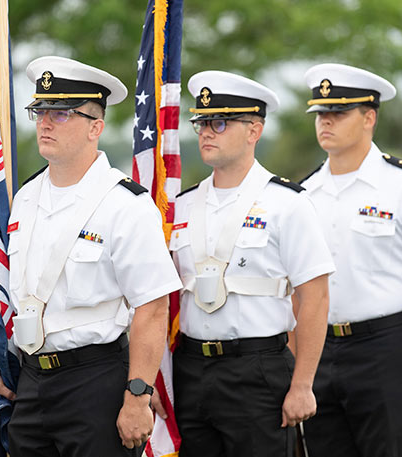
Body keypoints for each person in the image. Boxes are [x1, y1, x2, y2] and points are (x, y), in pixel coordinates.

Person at [0, 56, 182, 456]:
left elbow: (153, 307)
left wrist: (138, 395)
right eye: (39, 110)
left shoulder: (125, 204)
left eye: (61, 113)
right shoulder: (25, 198)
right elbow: (11, 297)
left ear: (96, 127)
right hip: (32, 381)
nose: (45, 122)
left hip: (95, 380)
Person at [299, 63, 402, 457]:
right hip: (320, 352)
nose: (326, 123)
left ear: (369, 117)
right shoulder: (304, 194)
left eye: (338, 113)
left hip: (388, 348)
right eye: (321, 114)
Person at [168, 71, 335, 457]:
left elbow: (315, 298)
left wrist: (302, 384)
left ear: (253, 130)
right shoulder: (182, 205)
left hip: (257, 369)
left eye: (220, 122)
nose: (206, 131)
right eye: (201, 122)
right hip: (191, 368)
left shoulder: (288, 203)